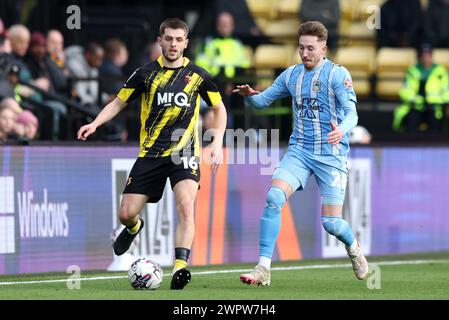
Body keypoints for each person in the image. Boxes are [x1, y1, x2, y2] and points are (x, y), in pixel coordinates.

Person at [77, 18, 227, 290]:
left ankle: (180, 266)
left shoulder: (198, 76)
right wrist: (95, 123)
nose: (173, 44)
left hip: (184, 155)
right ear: (160, 41)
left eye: (178, 39)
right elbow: (119, 102)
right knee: (126, 213)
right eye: (168, 39)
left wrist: (216, 142)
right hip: (150, 155)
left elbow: (219, 109)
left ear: (186, 43)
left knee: (185, 206)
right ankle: (134, 228)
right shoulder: (145, 74)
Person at [233, 21, 368, 286]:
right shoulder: (291, 75)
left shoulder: (337, 75)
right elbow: (262, 101)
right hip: (300, 151)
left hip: (331, 155)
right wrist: (249, 95)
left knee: (331, 223)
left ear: (324, 49)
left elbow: (352, 113)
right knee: (273, 197)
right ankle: (263, 269)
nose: (305, 54)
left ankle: (354, 249)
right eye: (301, 48)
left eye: (310, 48)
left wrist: (341, 130)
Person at [393, 43, 449, 133]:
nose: (426, 57)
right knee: (411, 121)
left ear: (431, 55)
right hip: (416, 107)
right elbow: (405, 91)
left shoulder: (441, 71)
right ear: (420, 56)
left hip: (435, 108)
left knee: (437, 123)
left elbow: (447, 93)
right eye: (423, 54)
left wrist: (434, 100)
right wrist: (417, 100)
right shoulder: (413, 70)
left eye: (428, 54)